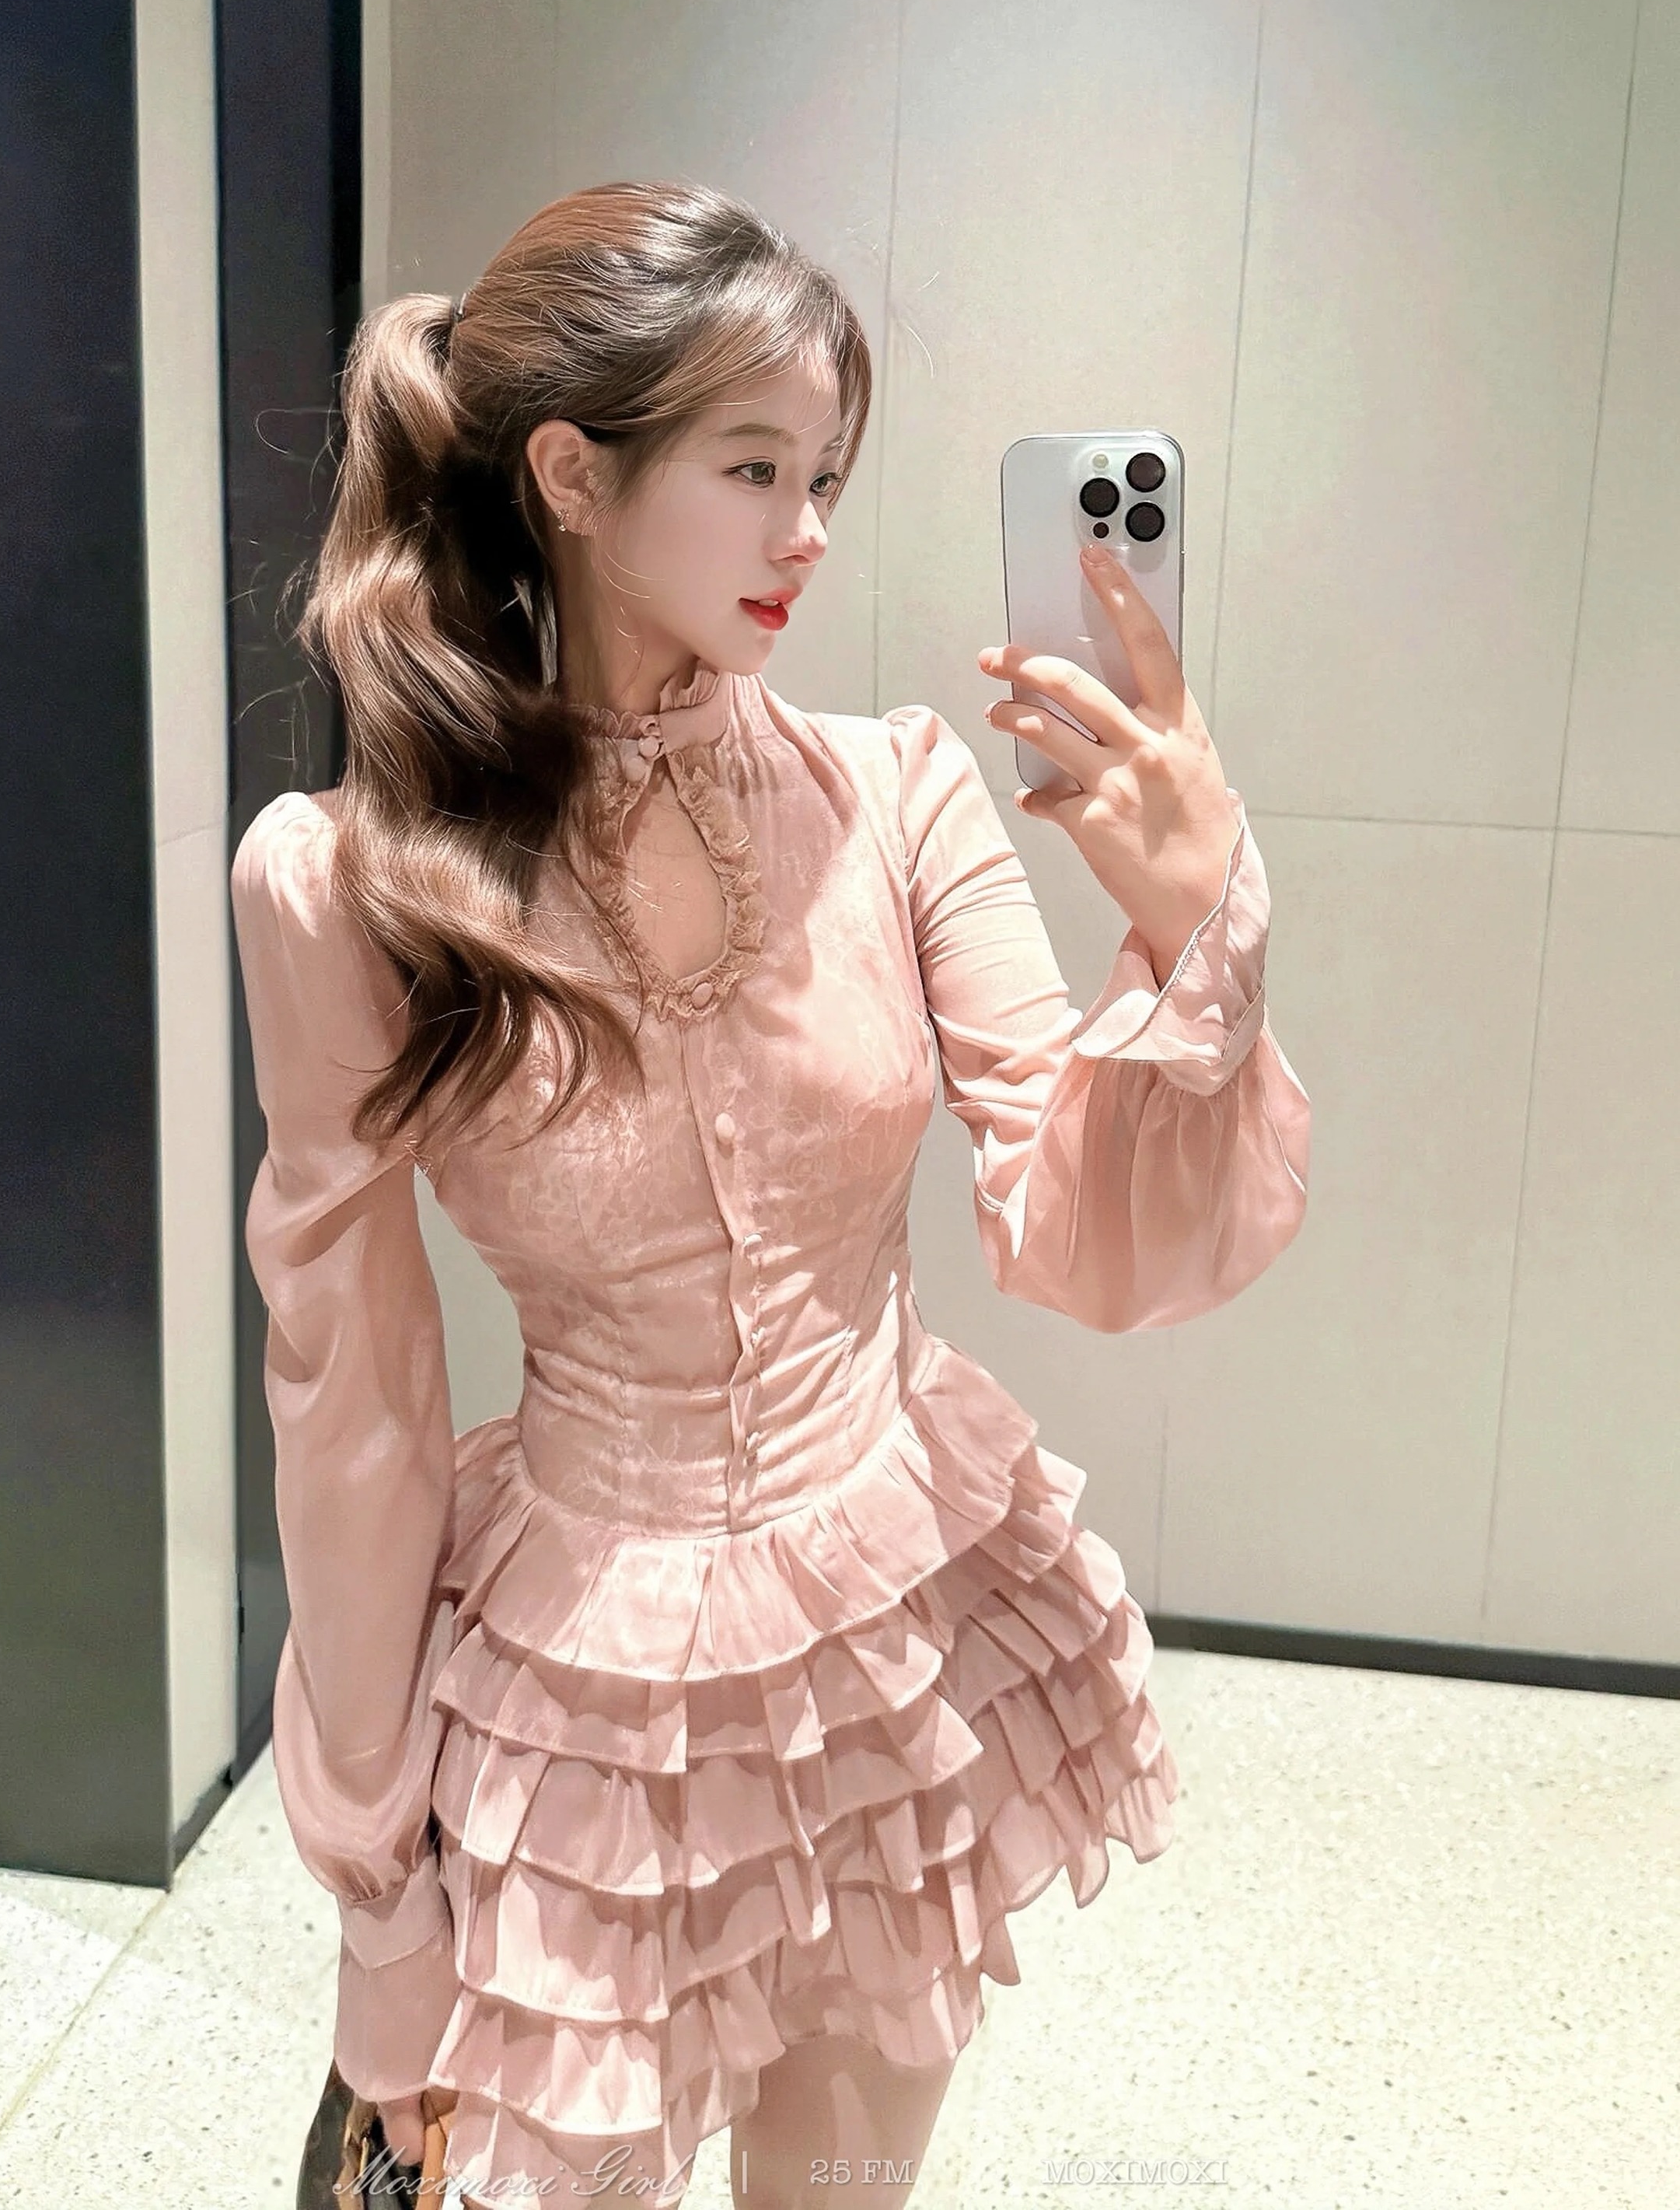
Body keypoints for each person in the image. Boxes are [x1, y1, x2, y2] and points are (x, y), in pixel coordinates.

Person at [229, 180, 1310, 2210]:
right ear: (573, 476)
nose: (811, 530)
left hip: (888, 1636)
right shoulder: (352, 881)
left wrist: (1193, 936)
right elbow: (351, 1395)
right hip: (579, 1701)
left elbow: (1083, 1240)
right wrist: (378, 1888)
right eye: (754, 471)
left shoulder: (900, 793)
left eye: (827, 477)